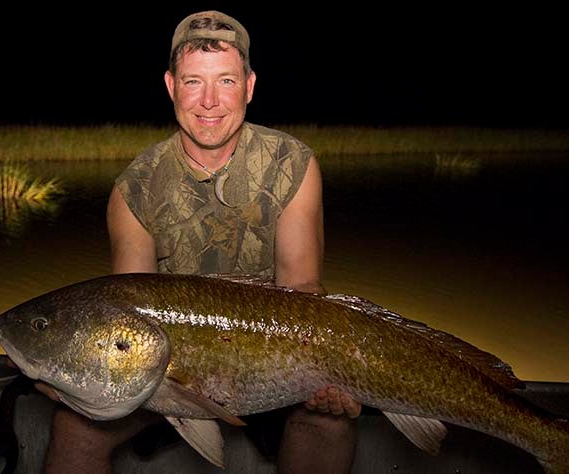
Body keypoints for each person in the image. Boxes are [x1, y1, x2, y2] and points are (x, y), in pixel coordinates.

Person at [40, 10, 361, 474]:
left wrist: (321, 374)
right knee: (74, 427)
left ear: (249, 86)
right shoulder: (135, 188)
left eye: (226, 81)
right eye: (194, 82)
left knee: (329, 420)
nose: (209, 101)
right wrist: (66, 372)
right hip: (167, 374)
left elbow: (302, 290)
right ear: (171, 86)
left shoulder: (291, 164)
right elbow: (126, 314)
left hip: (271, 366)